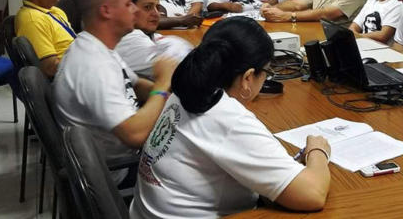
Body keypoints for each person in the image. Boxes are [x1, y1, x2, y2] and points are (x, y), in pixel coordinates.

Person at [130, 17, 331, 218]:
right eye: (266, 72)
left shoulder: (187, 87)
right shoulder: (228, 118)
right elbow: (312, 194)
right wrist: (317, 150)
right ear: (248, 78)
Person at [53, 0, 178, 184]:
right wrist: (163, 84)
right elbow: (135, 134)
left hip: (127, 152)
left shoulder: (98, 46)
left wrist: (174, 100)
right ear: (106, 11)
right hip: (118, 171)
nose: (135, 10)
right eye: (128, 4)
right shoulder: (93, 65)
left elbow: (136, 84)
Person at [14, 0, 76, 78]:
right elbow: (50, 68)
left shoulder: (55, 11)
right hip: (71, 79)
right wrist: (86, 62)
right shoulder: (33, 21)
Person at [115, 0, 192, 78]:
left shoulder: (153, 36)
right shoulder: (128, 38)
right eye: (147, 7)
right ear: (129, 9)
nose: (156, 14)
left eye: (157, 8)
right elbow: (179, 67)